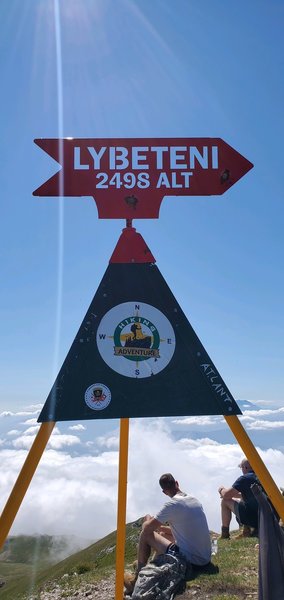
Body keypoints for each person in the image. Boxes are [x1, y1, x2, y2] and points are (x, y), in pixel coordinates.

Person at [124, 473, 211, 594]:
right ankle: (152, 564)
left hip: (191, 562)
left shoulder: (172, 505)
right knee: (164, 536)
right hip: (205, 558)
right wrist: (162, 530)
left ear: (164, 492)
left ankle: (136, 580)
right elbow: (184, 530)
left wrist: (148, 520)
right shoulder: (194, 500)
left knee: (145, 534)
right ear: (177, 483)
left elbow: (147, 529)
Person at [218, 458, 259, 539]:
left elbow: (226, 495)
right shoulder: (261, 477)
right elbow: (250, 496)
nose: (241, 470)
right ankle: (247, 530)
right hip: (266, 517)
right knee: (241, 500)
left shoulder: (244, 479)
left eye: (241, 468)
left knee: (225, 501)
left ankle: (225, 534)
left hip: (253, 518)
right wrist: (232, 495)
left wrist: (221, 490)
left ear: (245, 468)